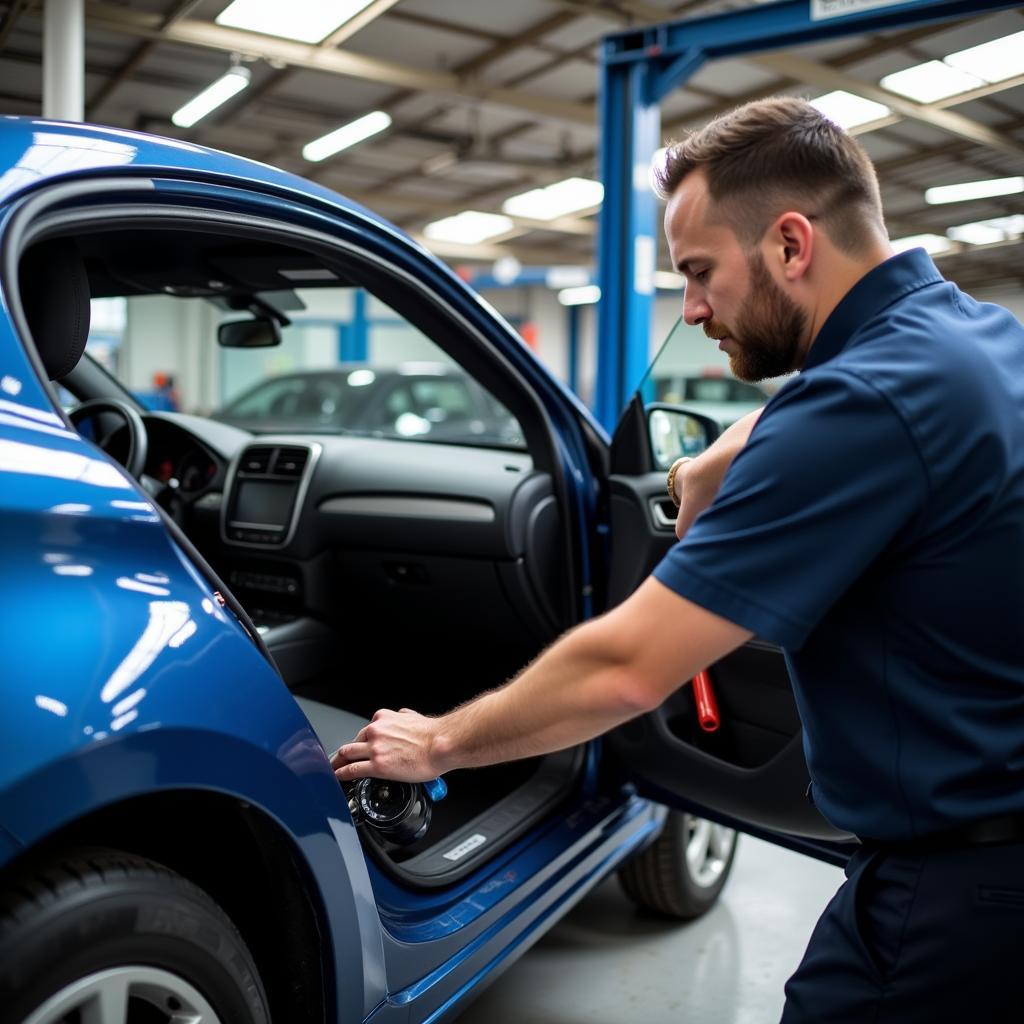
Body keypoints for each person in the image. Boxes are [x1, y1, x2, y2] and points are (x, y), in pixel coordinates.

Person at [332, 96, 1024, 1021]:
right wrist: (724, 454)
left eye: (700, 273)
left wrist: (436, 742)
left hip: (957, 900)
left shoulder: (858, 412)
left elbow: (625, 671)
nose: (691, 307)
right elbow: (856, 396)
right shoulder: (981, 341)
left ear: (789, 244)